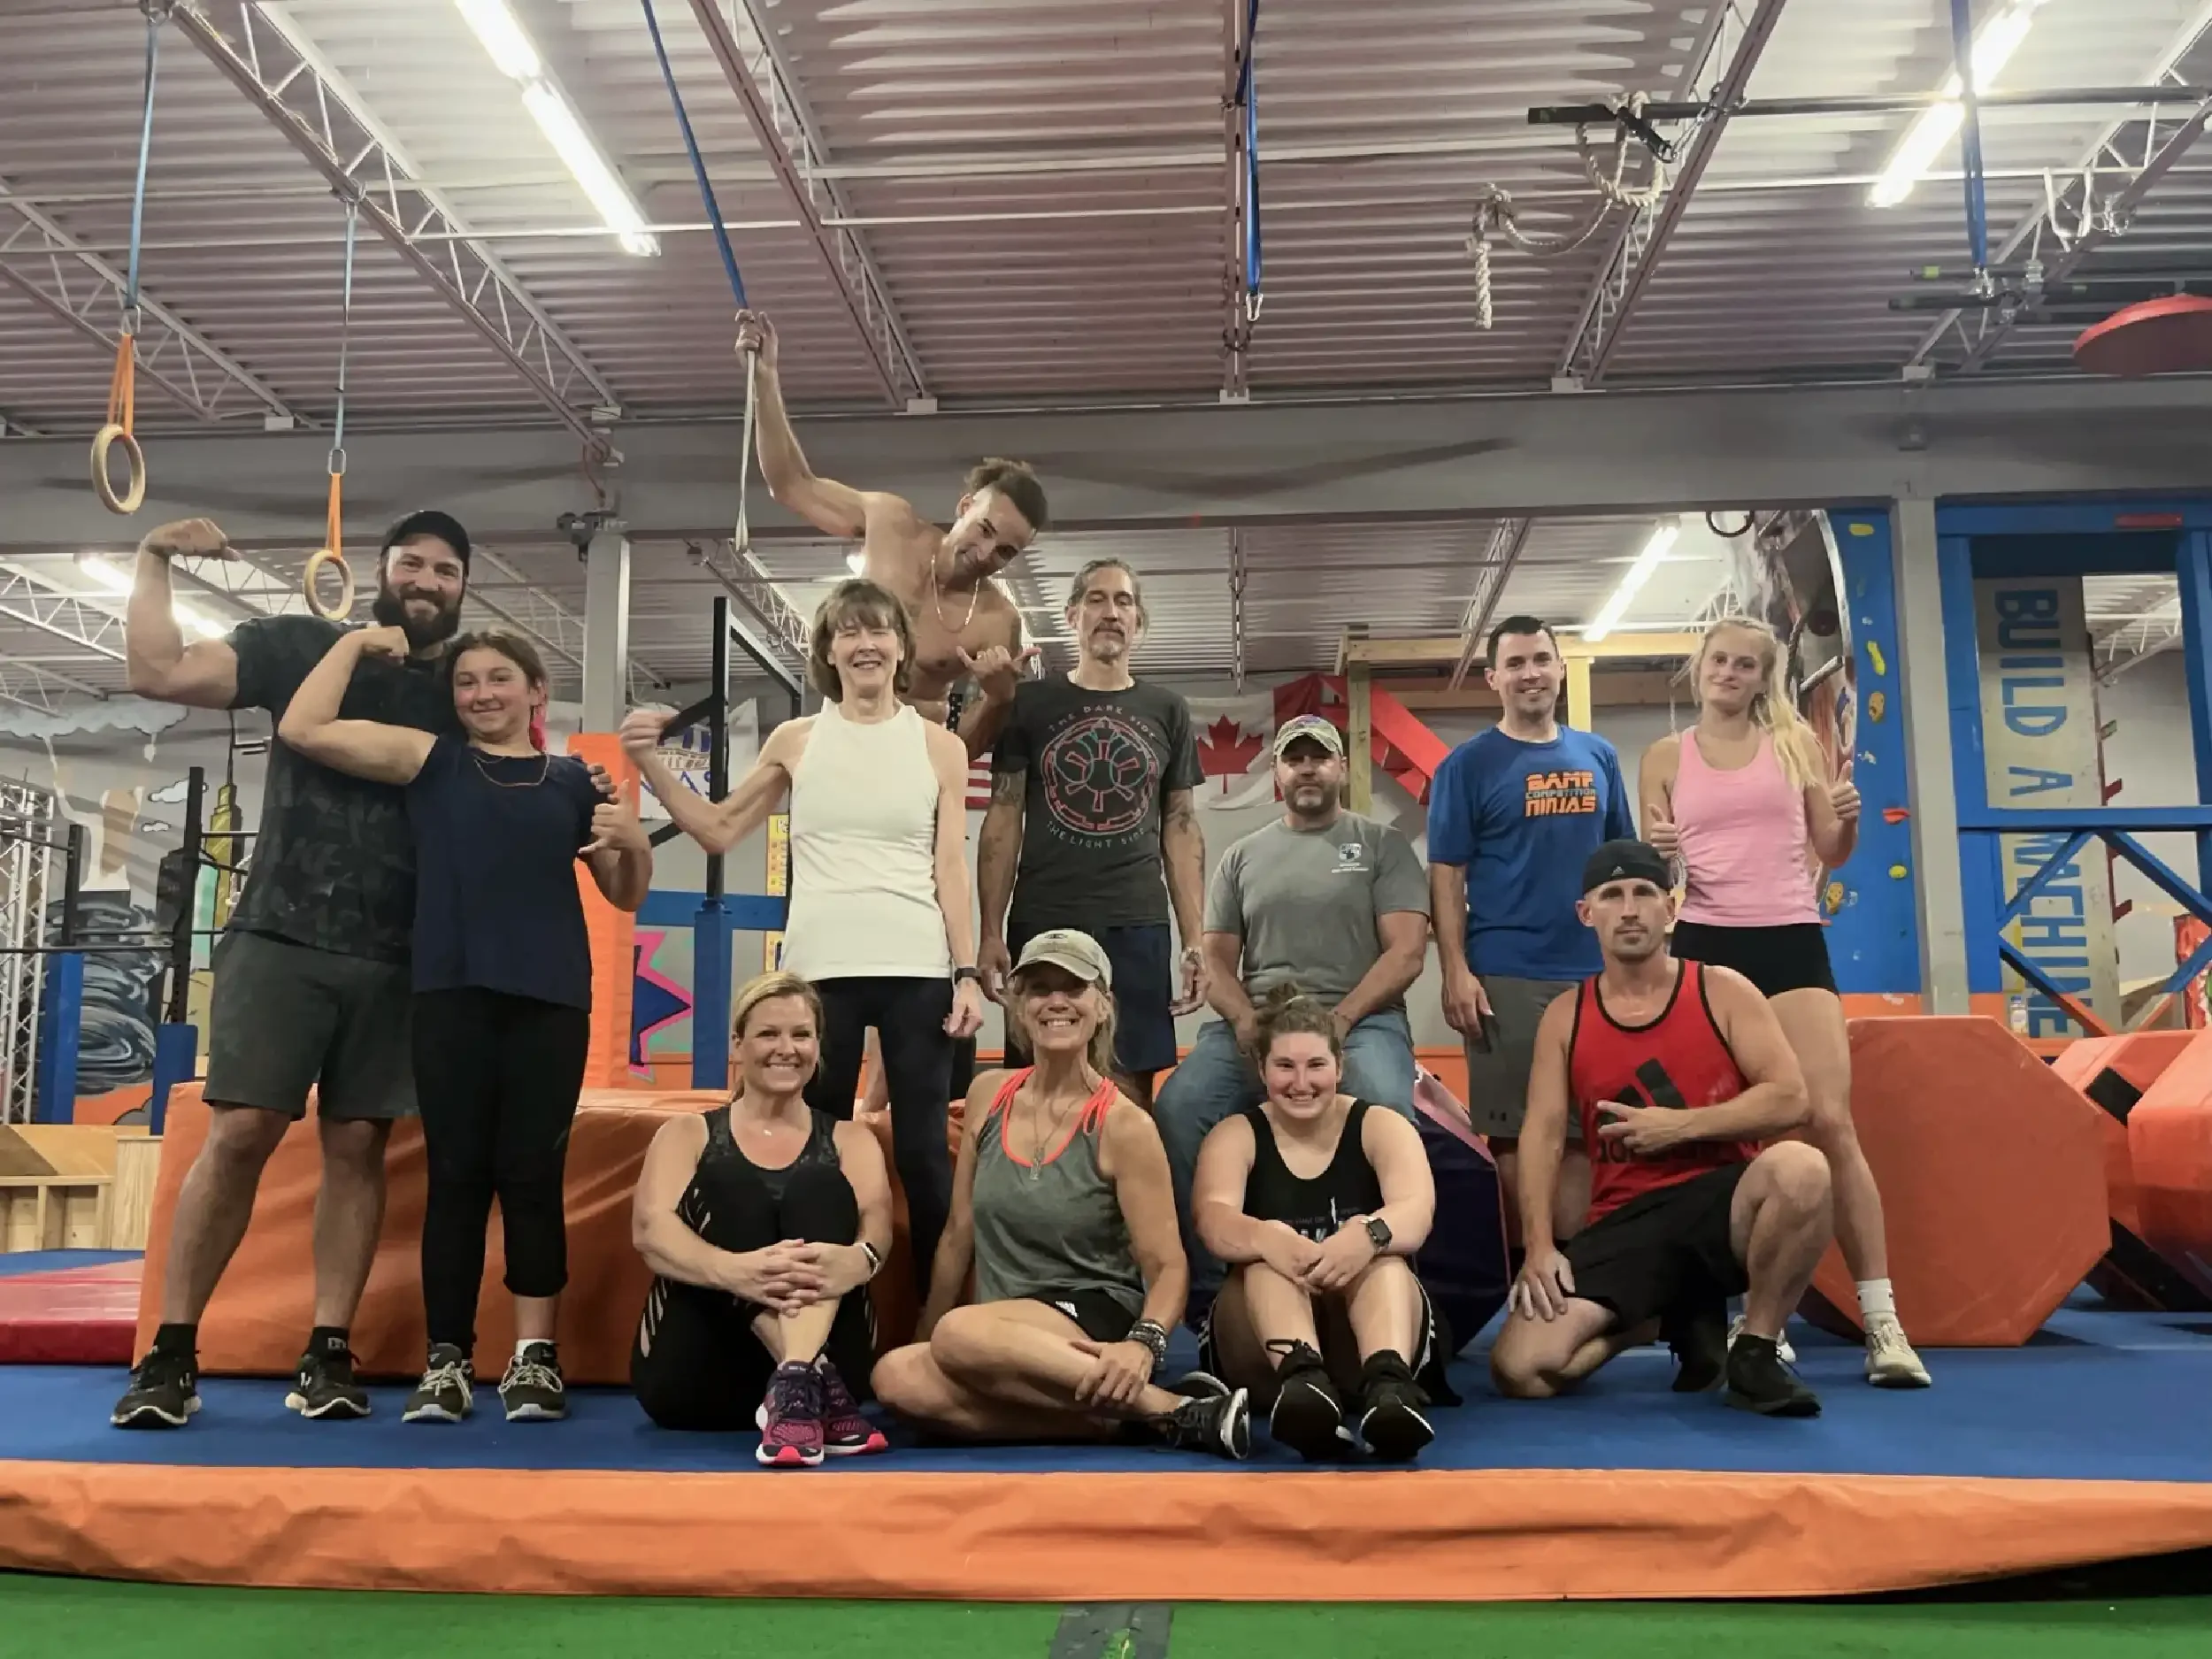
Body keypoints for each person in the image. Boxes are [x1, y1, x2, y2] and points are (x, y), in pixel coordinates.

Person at [111, 510, 473, 1429]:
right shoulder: (299, 646)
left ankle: (328, 1350)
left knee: (358, 1145)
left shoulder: (465, 689)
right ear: (381, 570)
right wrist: (153, 557)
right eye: (412, 564)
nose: (427, 581)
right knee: (241, 1131)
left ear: (463, 588)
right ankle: (171, 1351)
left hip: (397, 954)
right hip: (281, 931)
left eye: (446, 571)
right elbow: (157, 672)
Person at [277, 625, 651, 1423]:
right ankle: (446, 1358)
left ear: (536, 691)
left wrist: (635, 843)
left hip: (551, 1001)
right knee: (457, 1178)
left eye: (499, 678)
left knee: (533, 1177)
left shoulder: (573, 782)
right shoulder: (432, 760)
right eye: (467, 682)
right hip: (450, 996)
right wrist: (353, 643)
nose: (482, 694)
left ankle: (534, 1356)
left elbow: (624, 892)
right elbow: (303, 728)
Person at [622, 580, 985, 1300]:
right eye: (849, 632)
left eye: (878, 630)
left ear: (901, 647)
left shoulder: (939, 746)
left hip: (916, 964)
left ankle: (939, 1320)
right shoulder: (797, 740)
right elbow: (720, 828)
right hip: (820, 971)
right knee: (816, 1153)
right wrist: (651, 764)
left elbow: (950, 866)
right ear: (829, 650)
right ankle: (813, 1314)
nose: (865, 644)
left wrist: (967, 971)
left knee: (923, 1158)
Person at [1640, 616, 1931, 1388]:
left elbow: (1830, 849)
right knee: (1724, 1133)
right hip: (1705, 942)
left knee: (1828, 1118)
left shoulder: (1796, 743)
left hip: (1790, 937)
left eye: (1745, 665)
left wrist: (1850, 824)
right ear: (1699, 666)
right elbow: (1659, 871)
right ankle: (1750, 1314)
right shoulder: (1666, 756)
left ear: (1762, 677)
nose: (1729, 673)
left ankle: (1883, 1319)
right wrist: (1661, 857)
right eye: (1719, 660)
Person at [872, 930, 1250, 1458]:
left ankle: (1170, 1406)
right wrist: (925, 1334)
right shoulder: (987, 1094)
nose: (1056, 1002)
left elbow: (1167, 1266)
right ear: (1019, 1007)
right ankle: (1129, 1419)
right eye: (1039, 989)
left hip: (1093, 1311)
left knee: (957, 1334)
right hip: (1000, 1327)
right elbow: (959, 1234)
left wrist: (1143, 1344)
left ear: (1103, 1005)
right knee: (896, 1376)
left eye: (1073, 989)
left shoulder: (1124, 1125)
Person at [1488, 841, 1832, 1418]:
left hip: (1721, 1206)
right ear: (1586, 914)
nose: (1629, 910)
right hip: (1625, 1220)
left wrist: (1680, 1126)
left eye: (1644, 893)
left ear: (1671, 908)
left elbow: (1791, 1097)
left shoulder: (1721, 989)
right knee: (1522, 1369)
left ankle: (1755, 1350)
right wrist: (1541, 1246)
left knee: (1803, 1170)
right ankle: (1656, 1317)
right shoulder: (1566, 1016)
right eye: (1612, 895)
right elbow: (1542, 1135)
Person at [1154, 713, 1430, 1300]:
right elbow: (1214, 959)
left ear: (1341, 768)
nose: (1307, 768)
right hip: (1262, 1022)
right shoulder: (1241, 856)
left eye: (1319, 757)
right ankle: (1208, 1292)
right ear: (1277, 772)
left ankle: (1386, 1281)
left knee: (1382, 1099)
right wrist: (1246, 1022)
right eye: (1294, 758)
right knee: (1180, 1106)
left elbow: (1406, 953)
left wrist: (1342, 1020)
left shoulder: (1383, 846)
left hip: (1360, 1020)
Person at [733, 307, 1043, 742]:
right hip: (841, 734)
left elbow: (964, 750)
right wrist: (765, 380)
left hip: (915, 751)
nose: (987, 553)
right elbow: (791, 484)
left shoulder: (996, 622)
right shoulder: (890, 522)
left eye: (1006, 551)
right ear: (965, 506)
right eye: (985, 529)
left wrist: (998, 699)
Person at [1427, 615, 1635, 1245]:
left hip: (1595, 972)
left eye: (1541, 659)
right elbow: (1446, 873)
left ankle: (1574, 1266)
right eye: (1515, 663)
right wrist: (1455, 970)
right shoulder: (1467, 766)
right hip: (1507, 972)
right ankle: (1528, 1267)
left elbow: (1623, 861)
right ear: (1493, 678)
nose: (1530, 674)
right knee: (1517, 1132)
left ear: (1560, 669)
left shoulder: (1598, 755)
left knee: (1587, 1129)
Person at [631, 972, 895, 1467]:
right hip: (700, 1379)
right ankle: (808, 1375)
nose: (786, 1049)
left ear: (818, 1045)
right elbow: (650, 1232)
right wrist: (734, 1272)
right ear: (738, 1044)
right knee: (731, 1184)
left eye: (801, 1035)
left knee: (819, 1186)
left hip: (835, 1380)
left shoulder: (850, 1140)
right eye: (769, 1034)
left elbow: (877, 1228)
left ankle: (796, 1378)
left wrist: (858, 1260)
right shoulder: (686, 1135)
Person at [975, 559, 1207, 1108]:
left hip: (1137, 921)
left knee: (1129, 1090)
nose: (1111, 613)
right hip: (1044, 917)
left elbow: (1180, 826)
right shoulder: (1029, 704)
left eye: (1124, 602)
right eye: (1097, 600)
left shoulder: (1168, 709)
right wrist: (989, 931)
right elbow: (1004, 814)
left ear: (1138, 621)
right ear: (1071, 615)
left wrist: (1195, 939)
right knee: (1038, 1084)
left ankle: (1124, 1169)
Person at [1189, 989, 1448, 1463]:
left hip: (1362, 1336)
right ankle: (1303, 1385)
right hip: (1264, 1349)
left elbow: (1417, 1211)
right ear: (1262, 1070)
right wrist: (1267, 1237)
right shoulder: (1235, 1135)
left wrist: (1368, 1236)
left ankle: (1390, 1388)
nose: (1301, 1083)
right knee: (1263, 1263)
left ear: (1339, 1066)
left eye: (1315, 1066)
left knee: (1386, 1261)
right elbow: (1213, 1219)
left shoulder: (1381, 1126)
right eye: (1285, 1067)